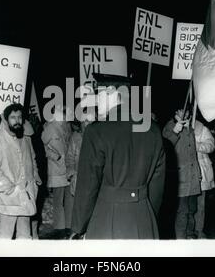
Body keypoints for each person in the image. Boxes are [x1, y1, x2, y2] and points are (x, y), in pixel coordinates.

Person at [71, 73, 166, 239]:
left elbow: (87, 186)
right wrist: (149, 215)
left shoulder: (96, 131)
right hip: (144, 217)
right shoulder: (153, 130)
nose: (95, 100)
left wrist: (79, 227)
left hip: (106, 219)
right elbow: (157, 187)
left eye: (97, 93)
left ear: (110, 92)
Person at [0, 103, 42, 239]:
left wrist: (34, 178)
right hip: (7, 198)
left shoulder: (25, 138)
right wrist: (9, 188)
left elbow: (32, 159)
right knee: (6, 237)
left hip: (25, 195)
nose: (17, 121)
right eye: (13, 117)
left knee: (25, 236)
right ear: (5, 119)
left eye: (19, 117)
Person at [162, 108, 201, 239]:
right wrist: (174, 131)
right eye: (181, 111)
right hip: (181, 177)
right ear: (175, 113)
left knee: (192, 208)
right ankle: (180, 239)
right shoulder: (170, 127)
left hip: (193, 176)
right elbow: (165, 147)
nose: (185, 114)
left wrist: (198, 173)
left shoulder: (189, 128)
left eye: (187, 112)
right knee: (182, 211)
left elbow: (193, 154)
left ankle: (190, 234)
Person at [41, 106, 73, 239]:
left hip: (67, 168)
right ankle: (60, 228)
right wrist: (55, 156)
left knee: (69, 199)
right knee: (58, 200)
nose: (65, 117)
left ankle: (69, 226)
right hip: (57, 168)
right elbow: (41, 146)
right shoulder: (50, 127)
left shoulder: (66, 126)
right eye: (62, 114)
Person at [193, 119, 215, 239]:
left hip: (201, 170)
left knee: (200, 204)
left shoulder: (202, 129)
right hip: (185, 170)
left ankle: (199, 230)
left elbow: (211, 146)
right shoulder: (176, 127)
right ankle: (187, 231)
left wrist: (196, 145)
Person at [66, 114, 94, 198]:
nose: (86, 123)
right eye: (84, 121)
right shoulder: (75, 137)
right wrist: (72, 174)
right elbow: (69, 158)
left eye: (89, 121)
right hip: (78, 178)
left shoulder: (99, 137)